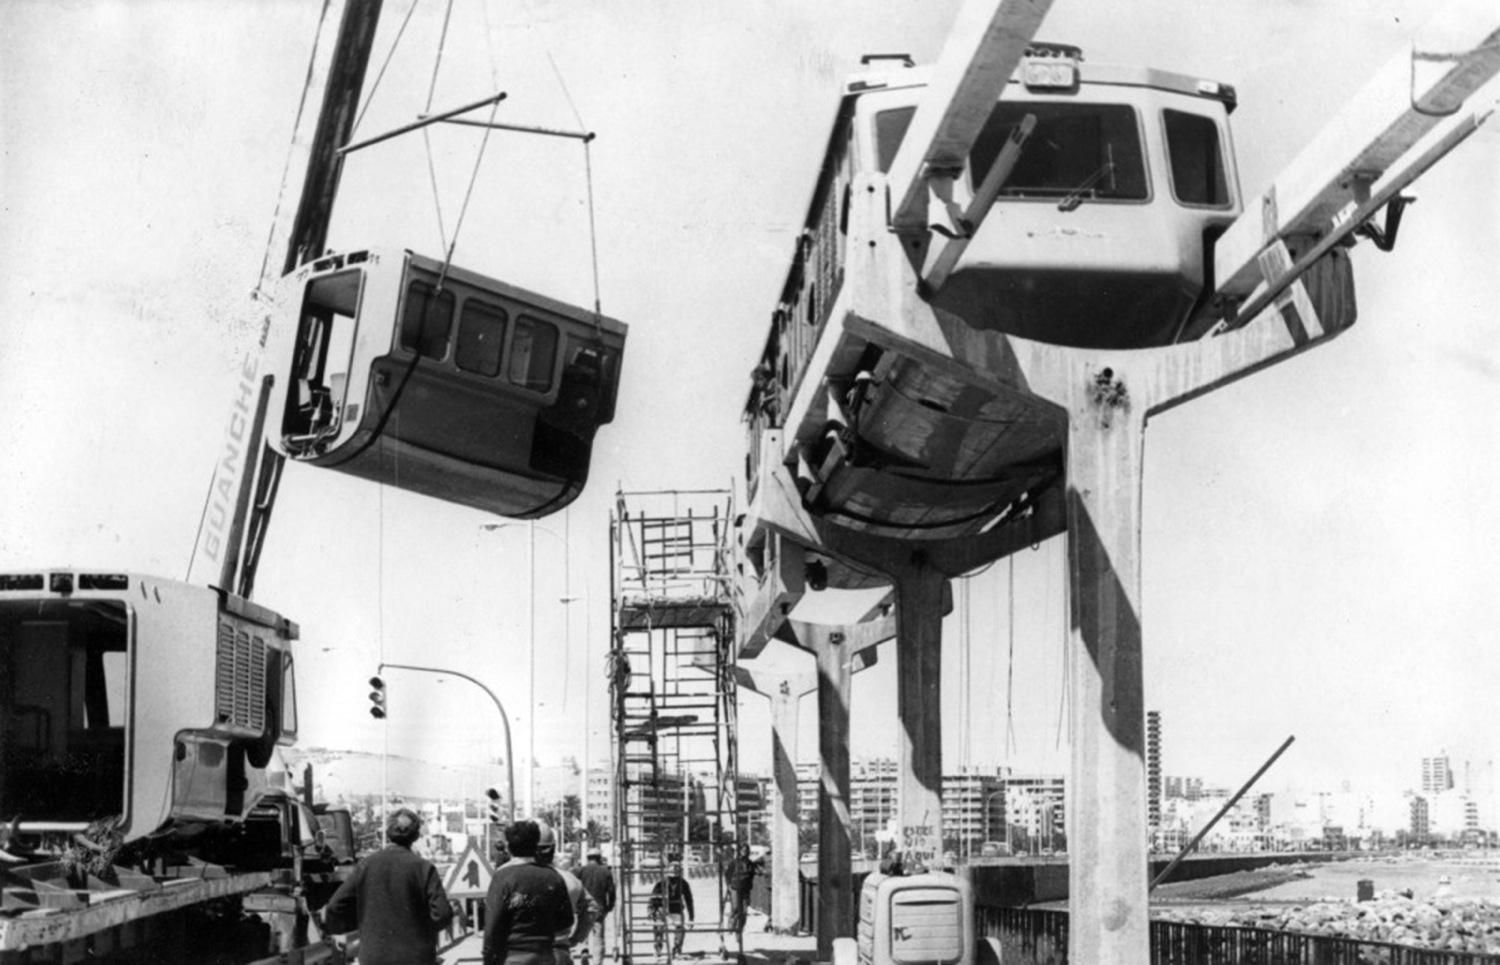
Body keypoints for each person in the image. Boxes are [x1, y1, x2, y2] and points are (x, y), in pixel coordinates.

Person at [322, 808, 453, 965]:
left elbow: (335, 906)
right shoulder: (424, 868)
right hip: (416, 958)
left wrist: (363, 926)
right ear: (416, 836)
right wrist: (421, 932)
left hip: (374, 957)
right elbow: (443, 914)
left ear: (387, 833)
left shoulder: (366, 866)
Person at [484, 820, 576, 965]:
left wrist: (488, 959)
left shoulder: (502, 878)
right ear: (535, 846)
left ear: (509, 847)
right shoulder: (553, 877)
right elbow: (566, 921)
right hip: (545, 957)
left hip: (512, 958)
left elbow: (492, 926)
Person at [537, 824, 599, 964]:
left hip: (522, 952)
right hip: (559, 950)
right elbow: (592, 908)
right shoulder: (569, 880)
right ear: (552, 849)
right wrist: (576, 938)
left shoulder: (511, 877)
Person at [577, 849, 617, 965]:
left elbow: (576, 887)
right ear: (599, 858)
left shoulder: (581, 871)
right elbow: (611, 891)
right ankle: (597, 962)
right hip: (599, 909)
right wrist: (610, 906)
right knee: (598, 937)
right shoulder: (605, 872)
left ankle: (584, 951)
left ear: (588, 858)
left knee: (583, 933)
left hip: (584, 908)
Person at [720, 844, 759, 960]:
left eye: (746, 850)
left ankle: (739, 931)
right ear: (739, 851)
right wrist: (729, 886)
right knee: (736, 908)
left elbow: (752, 876)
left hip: (745, 890)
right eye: (743, 850)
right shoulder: (734, 862)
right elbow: (727, 874)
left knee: (744, 912)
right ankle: (731, 924)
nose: (744, 852)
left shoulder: (751, 864)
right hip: (735, 888)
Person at [648, 862, 694, 956]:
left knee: (680, 927)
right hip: (662, 908)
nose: (674, 880)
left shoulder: (683, 884)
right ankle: (658, 947)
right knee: (659, 926)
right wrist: (651, 911)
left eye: (676, 878)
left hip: (676, 909)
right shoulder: (661, 884)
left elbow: (689, 900)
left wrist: (691, 917)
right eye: (672, 878)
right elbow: (653, 898)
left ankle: (677, 948)